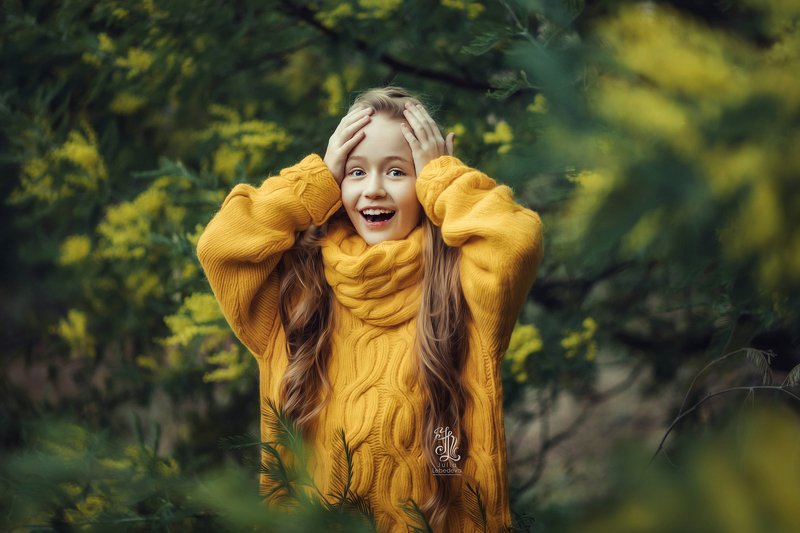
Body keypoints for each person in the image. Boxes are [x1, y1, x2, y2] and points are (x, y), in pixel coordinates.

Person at [196, 86, 544, 532]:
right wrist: (313, 181)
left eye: (397, 172)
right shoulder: (299, 290)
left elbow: (515, 240)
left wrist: (444, 178)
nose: (373, 190)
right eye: (355, 172)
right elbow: (220, 246)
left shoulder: (463, 286)